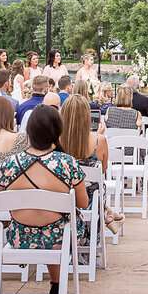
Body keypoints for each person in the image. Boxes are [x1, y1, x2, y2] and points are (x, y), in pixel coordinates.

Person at [0, 104, 89, 294]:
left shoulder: (10, 163)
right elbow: (83, 203)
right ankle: (56, 284)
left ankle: (55, 282)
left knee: (48, 227)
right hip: (59, 239)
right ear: (57, 131)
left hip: (19, 238)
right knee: (58, 226)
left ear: (29, 130)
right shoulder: (67, 163)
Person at [59, 94, 124, 231]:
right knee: (98, 186)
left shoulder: (55, 141)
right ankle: (107, 212)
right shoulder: (99, 141)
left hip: (62, 198)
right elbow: (102, 171)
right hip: (90, 201)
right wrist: (98, 135)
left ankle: (109, 212)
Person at [125, 75, 148, 140]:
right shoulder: (144, 100)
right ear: (138, 86)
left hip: (124, 135)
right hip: (142, 136)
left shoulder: (121, 100)